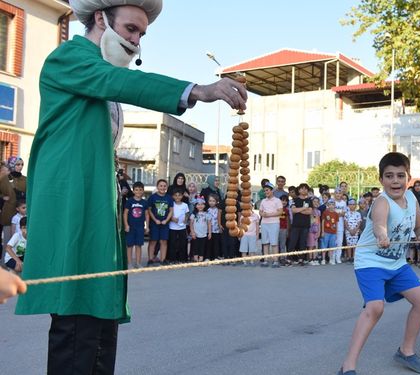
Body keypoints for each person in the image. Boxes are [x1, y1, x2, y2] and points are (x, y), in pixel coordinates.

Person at [16, 1, 247, 372]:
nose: (136, 41)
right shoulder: (69, 58)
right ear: (99, 19)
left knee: (99, 313)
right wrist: (199, 90)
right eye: (130, 29)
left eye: (142, 34)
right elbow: (121, 81)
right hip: (72, 202)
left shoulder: (99, 73)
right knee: (77, 311)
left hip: (98, 204)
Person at [338, 152, 420, 375]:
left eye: (400, 175)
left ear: (409, 178)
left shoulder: (411, 198)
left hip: (397, 263)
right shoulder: (382, 202)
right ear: (381, 180)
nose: (395, 181)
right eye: (389, 176)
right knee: (375, 308)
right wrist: (381, 235)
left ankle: (406, 351)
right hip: (371, 261)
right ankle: (347, 367)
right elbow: (380, 223)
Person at [123, 181, 149, 269]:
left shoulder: (144, 202)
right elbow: (125, 213)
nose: (138, 192)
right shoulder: (129, 201)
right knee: (129, 245)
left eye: (140, 190)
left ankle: (138, 263)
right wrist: (126, 225)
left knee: (139, 245)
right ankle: (129, 263)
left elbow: (146, 214)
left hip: (140, 227)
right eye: (136, 190)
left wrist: (147, 226)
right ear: (133, 191)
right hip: (131, 227)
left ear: (143, 191)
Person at [148, 179, 173, 265]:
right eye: (161, 186)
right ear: (157, 187)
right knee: (153, 241)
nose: (162, 187)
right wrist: (155, 220)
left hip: (165, 224)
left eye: (164, 186)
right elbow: (149, 210)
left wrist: (166, 220)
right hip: (155, 223)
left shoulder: (169, 198)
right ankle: (150, 259)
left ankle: (163, 259)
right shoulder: (153, 197)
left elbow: (171, 210)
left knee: (164, 241)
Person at [259, 182, 283, 267]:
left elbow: (280, 211)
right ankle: (266, 260)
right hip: (264, 223)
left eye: (267, 190)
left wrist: (269, 215)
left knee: (274, 243)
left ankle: (275, 260)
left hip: (274, 223)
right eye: (265, 190)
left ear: (272, 190)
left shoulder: (277, 200)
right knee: (265, 243)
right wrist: (263, 214)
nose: (266, 192)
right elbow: (260, 211)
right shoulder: (263, 201)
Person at [288, 183, 312, 265]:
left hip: (305, 225)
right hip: (295, 225)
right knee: (292, 242)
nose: (304, 190)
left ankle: (301, 259)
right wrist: (304, 208)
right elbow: (293, 210)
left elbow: (310, 211)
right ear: (298, 190)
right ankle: (289, 258)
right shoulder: (294, 200)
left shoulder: (309, 200)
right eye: (302, 188)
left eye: (306, 189)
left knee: (303, 242)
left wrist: (300, 210)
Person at [168, 187, 189, 262]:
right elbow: (168, 213)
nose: (177, 197)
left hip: (182, 227)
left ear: (182, 196)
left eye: (179, 195)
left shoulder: (185, 205)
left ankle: (182, 259)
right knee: (172, 244)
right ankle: (172, 259)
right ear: (173, 196)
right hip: (172, 227)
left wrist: (186, 220)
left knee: (182, 244)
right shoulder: (171, 204)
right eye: (175, 195)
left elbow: (187, 214)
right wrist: (172, 218)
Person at [190, 196, 211, 263]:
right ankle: (195, 257)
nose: (200, 206)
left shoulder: (207, 214)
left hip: (204, 234)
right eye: (198, 204)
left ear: (205, 205)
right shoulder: (194, 215)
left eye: (202, 204)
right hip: (196, 234)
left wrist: (209, 233)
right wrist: (192, 232)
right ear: (196, 206)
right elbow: (191, 224)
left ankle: (201, 257)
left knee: (202, 246)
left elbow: (209, 224)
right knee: (196, 246)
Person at [344, 198, 362, 263]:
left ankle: (354, 257)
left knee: (354, 244)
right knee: (349, 244)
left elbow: (359, 222)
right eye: (350, 204)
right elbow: (345, 222)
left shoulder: (358, 214)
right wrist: (349, 230)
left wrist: (355, 230)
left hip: (355, 231)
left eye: (353, 204)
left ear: (356, 205)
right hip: (348, 231)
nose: (352, 206)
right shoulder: (346, 214)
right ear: (348, 205)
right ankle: (349, 257)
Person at [205, 195, 222, 261]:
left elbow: (219, 219)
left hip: (216, 229)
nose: (211, 202)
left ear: (216, 202)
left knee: (216, 244)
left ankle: (216, 257)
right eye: (210, 201)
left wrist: (220, 227)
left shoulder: (218, 210)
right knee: (208, 244)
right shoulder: (206, 210)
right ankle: (208, 257)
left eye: (213, 201)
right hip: (208, 230)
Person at [307, 197, 322, 264]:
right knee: (311, 245)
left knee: (315, 245)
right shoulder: (310, 210)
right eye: (314, 201)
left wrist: (319, 231)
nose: (316, 203)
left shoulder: (318, 211)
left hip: (316, 229)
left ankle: (315, 258)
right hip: (310, 230)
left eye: (317, 202)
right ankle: (310, 259)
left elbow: (319, 222)